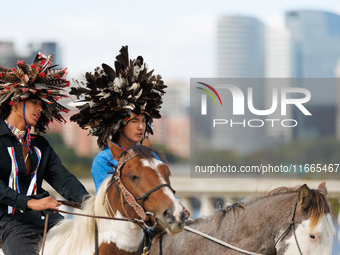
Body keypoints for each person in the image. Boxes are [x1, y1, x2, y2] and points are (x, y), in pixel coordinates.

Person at [0, 53, 89, 255]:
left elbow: (64, 180)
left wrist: (91, 204)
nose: (40, 108)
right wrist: (30, 202)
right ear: (15, 101)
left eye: (43, 104)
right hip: (10, 223)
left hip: (48, 218)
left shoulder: (40, 145)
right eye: (35, 102)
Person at [70, 45, 166, 192]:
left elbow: (163, 193)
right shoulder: (104, 160)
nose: (141, 127)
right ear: (119, 125)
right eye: (135, 121)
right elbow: (110, 201)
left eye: (144, 121)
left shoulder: (151, 156)